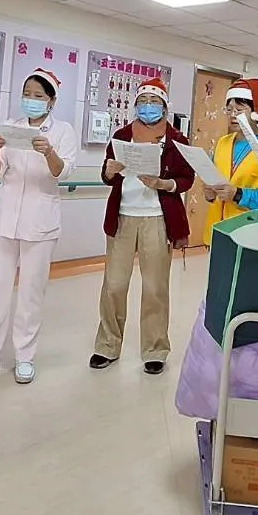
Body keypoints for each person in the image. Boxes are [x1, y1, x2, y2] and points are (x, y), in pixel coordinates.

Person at [0, 68, 79, 387]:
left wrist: (49, 152)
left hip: (40, 221)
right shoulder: (11, 127)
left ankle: (25, 357)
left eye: (38, 96)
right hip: (3, 218)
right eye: (27, 94)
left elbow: (62, 173)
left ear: (51, 101)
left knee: (31, 291)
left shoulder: (62, 131)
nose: (31, 100)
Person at [91, 77, 196, 375]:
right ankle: (107, 345)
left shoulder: (176, 140)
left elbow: (187, 178)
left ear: (164, 106)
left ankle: (155, 349)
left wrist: (165, 184)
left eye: (154, 102)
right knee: (114, 285)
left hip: (158, 218)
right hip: (123, 217)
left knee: (155, 287)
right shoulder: (122, 135)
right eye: (143, 102)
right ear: (135, 105)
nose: (148, 107)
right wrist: (109, 171)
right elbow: (107, 175)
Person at [202, 77, 258, 244]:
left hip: (250, 236)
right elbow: (213, 184)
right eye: (228, 110)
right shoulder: (222, 143)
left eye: (239, 110)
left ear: (256, 112)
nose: (233, 115)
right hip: (217, 233)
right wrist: (209, 194)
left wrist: (237, 194)